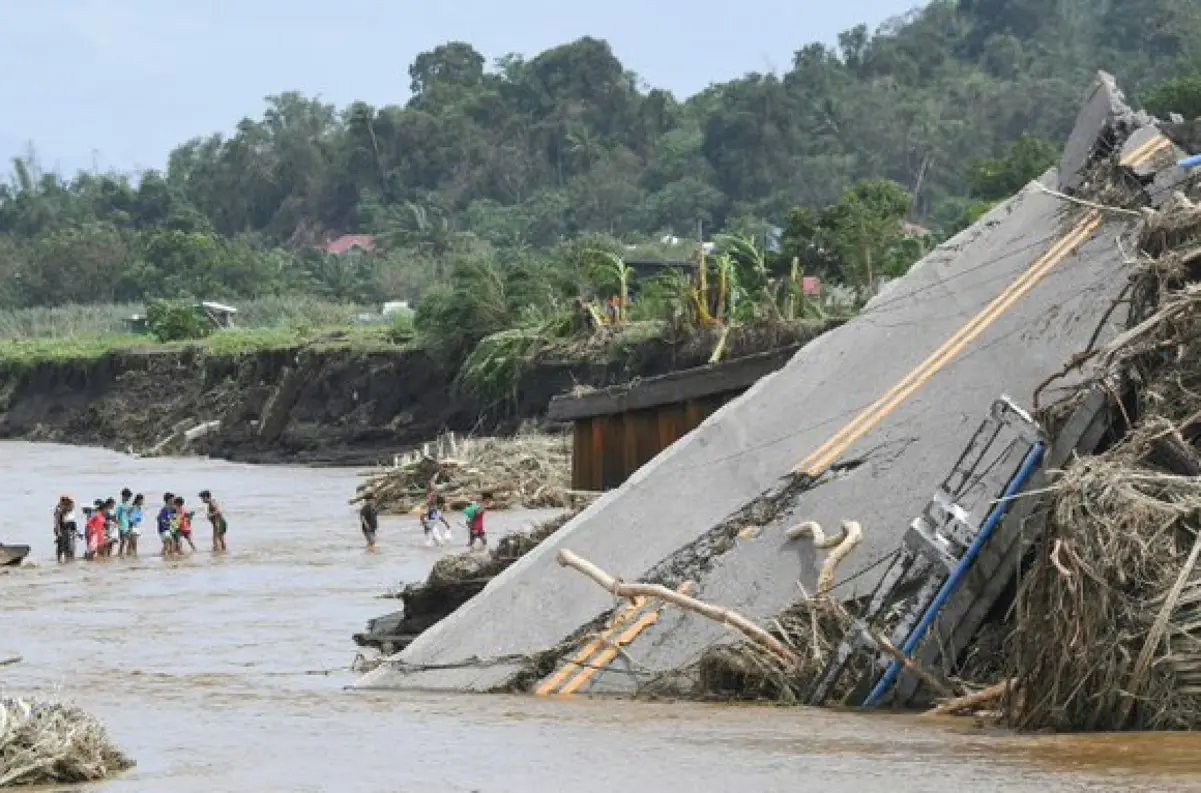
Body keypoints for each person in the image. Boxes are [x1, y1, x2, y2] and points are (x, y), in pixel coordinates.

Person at [53, 496, 77, 563]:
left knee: (67, 546)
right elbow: (57, 521)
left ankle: (66, 560)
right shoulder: (59, 510)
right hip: (62, 530)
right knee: (61, 546)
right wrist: (58, 530)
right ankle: (60, 560)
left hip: (66, 530)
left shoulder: (64, 510)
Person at [157, 492, 176, 557]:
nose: (174, 500)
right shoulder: (165, 509)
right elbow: (159, 518)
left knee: (169, 544)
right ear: (168, 500)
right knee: (168, 544)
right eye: (173, 499)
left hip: (167, 529)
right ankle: (165, 557)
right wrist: (167, 522)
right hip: (164, 530)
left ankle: (165, 555)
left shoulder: (170, 508)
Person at [115, 488, 133, 558]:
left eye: (129, 496)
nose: (128, 498)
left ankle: (126, 553)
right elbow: (117, 517)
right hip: (122, 526)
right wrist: (118, 526)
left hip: (127, 525)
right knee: (123, 541)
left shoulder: (128, 506)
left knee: (128, 541)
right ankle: (120, 553)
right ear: (123, 496)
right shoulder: (120, 506)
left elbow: (129, 516)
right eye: (127, 496)